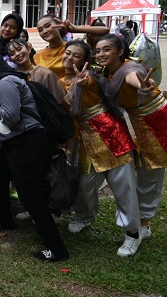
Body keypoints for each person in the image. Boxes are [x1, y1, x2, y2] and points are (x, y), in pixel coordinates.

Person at [0, 51, 69, 262]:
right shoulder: (0, 83)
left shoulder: (6, 82)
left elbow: (11, 117)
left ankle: (56, 249)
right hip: (17, 141)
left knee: (29, 195)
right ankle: (5, 220)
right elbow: (7, 127)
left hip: (30, 142)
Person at [60, 39, 141, 257]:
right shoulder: (58, 79)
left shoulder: (91, 77)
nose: (69, 58)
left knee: (122, 185)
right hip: (85, 139)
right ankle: (84, 217)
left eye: (76, 55)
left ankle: (133, 233)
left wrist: (82, 82)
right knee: (84, 184)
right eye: (67, 53)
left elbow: (87, 84)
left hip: (110, 134)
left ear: (86, 61)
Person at [94, 34, 165, 255]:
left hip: (156, 122)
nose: (101, 54)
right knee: (143, 175)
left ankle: (140, 229)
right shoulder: (107, 71)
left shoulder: (128, 69)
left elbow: (134, 79)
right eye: (98, 51)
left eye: (106, 50)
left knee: (149, 178)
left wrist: (142, 85)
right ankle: (142, 225)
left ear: (120, 52)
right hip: (140, 123)